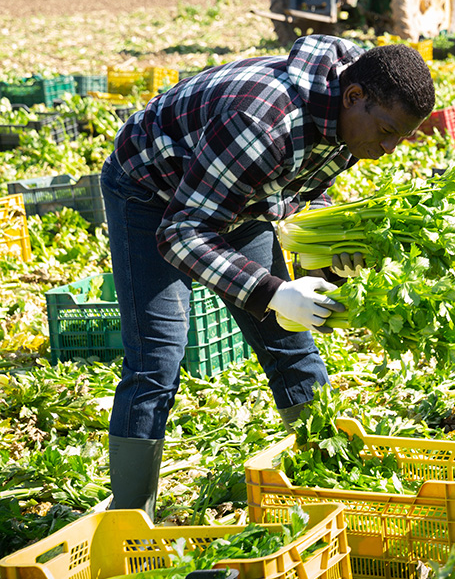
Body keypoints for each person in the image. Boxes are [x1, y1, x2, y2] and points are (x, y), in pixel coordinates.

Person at [101, 35, 435, 517]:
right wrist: (275, 292)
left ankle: (331, 483)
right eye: (384, 131)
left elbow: (304, 188)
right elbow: (181, 232)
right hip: (152, 193)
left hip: (238, 194)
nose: (386, 148)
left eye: (399, 138)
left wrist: (322, 256)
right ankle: (130, 516)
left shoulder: (350, 119)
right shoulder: (261, 122)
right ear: (354, 97)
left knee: (289, 342)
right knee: (158, 356)